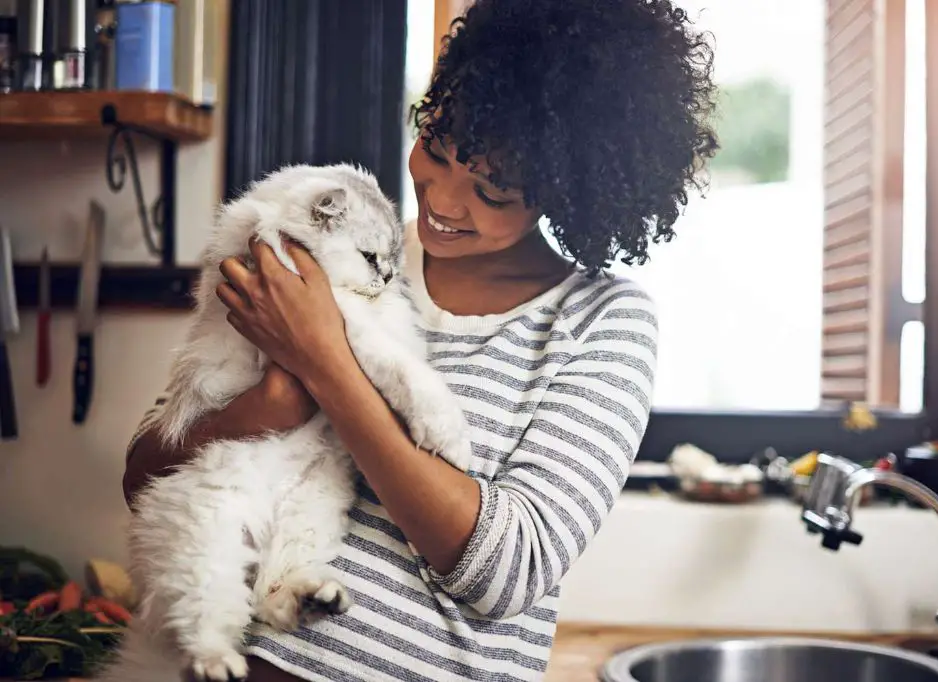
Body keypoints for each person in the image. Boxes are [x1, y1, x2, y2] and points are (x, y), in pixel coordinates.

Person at [122, 0, 717, 679]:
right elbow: (145, 473)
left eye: (493, 192)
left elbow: (507, 573)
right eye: (436, 148)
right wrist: (272, 406)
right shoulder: (339, 248)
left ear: (567, 190)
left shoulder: (604, 323)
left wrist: (325, 363)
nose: (444, 200)